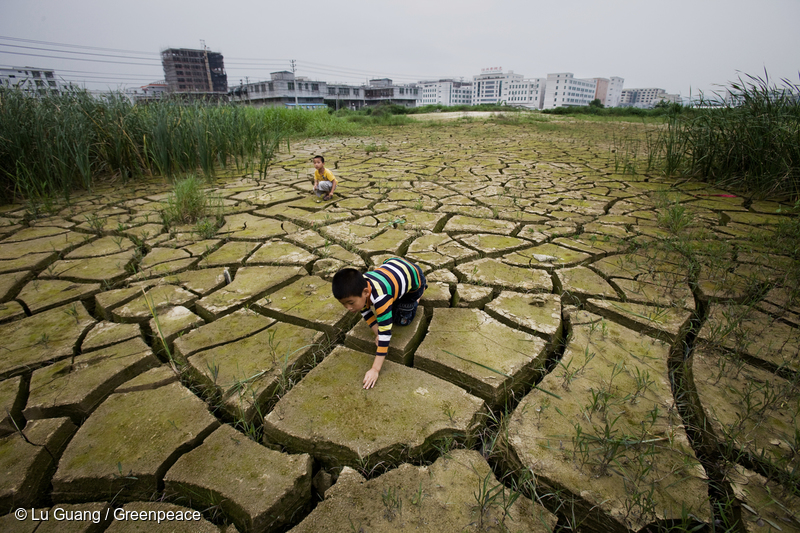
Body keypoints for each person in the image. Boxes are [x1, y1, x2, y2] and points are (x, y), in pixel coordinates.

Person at [332, 258, 427, 389]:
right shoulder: (361, 284)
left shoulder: (381, 298)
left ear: (365, 292)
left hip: (415, 276)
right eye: (343, 304)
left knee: (401, 320)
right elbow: (365, 311)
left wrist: (375, 369)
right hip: (394, 264)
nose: (348, 308)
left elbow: (386, 335)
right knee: (385, 312)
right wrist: (377, 332)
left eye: (351, 303)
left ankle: (418, 294)